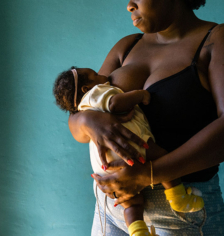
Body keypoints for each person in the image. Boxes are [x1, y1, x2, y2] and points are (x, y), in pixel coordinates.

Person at [67, 0, 224, 236]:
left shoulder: (219, 41)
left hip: (181, 215)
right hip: (114, 210)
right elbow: (77, 121)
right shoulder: (126, 47)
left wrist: (150, 174)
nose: (130, 4)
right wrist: (89, 121)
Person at [53, 67, 205, 236]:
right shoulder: (97, 92)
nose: (103, 75)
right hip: (131, 147)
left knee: (132, 203)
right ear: (85, 89)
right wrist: (139, 95)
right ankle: (178, 198)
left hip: (106, 167)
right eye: (95, 75)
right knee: (161, 155)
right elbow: (115, 104)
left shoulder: (83, 106)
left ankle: (138, 231)